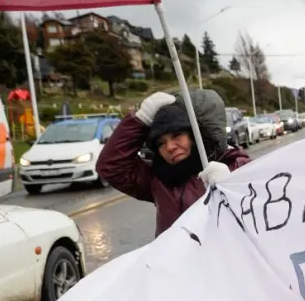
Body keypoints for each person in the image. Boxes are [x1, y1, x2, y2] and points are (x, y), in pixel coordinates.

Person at [97, 89, 250, 237]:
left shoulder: (238, 166)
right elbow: (111, 166)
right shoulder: (159, 180)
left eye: (177, 135)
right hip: (174, 263)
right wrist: (140, 120)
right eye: (161, 143)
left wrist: (232, 188)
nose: (169, 147)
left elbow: (265, 221)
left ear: (196, 135)